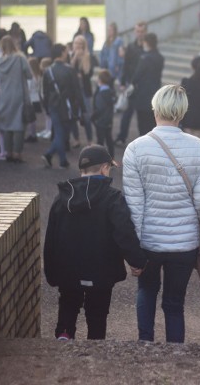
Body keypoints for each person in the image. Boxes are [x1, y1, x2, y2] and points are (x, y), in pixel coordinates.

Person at [122, 84, 200, 343]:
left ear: (155, 109)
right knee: (175, 303)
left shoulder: (135, 149)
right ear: (182, 112)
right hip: (184, 244)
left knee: (147, 291)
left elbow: (134, 204)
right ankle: (175, 350)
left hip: (149, 240)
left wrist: (134, 251)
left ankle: (145, 343)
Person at [44, 145, 146, 340]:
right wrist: (137, 261)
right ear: (104, 168)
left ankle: (64, 334)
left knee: (67, 304)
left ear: (81, 170)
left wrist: (51, 272)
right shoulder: (112, 198)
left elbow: (51, 239)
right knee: (97, 314)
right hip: (101, 270)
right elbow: (124, 233)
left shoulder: (63, 198)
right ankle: (95, 344)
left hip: (68, 270)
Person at [42, 43, 82, 169]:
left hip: (53, 105)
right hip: (67, 105)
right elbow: (77, 90)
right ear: (62, 53)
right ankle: (58, 159)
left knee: (59, 133)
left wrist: (47, 108)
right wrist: (82, 108)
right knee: (63, 133)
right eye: (66, 52)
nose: (67, 54)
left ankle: (56, 158)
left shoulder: (48, 71)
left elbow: (45, 92)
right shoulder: (70, 70)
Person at [0, 35, 33, 163]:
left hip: (5, 94)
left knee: (6, 125)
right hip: (19, 93)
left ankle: (8, 152)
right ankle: (17, 153)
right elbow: (29, 75)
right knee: (19, 125)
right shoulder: (20, 58)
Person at [115, 21, 147, 145]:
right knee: (127, 114)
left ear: (145, 32)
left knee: (142, 115)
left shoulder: (147, 48)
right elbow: (126, 65)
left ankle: (143, 139)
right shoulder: (131, 47)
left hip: (143, 87)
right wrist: (123, 82)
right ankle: (122, 136)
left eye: (142, 31)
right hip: (131, 86)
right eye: (137, 31)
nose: (139, 34)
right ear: (135, 32)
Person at [129, 33, 164, 136]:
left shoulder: (144, 58)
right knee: (152, 122)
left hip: (143, 94)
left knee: (143, 124)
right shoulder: (159, 57)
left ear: (147, 43)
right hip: (155, 92)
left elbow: (136, 76)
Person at [70, 35, 96, 146]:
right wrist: (75, 57)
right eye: (76, 44)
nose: (78, 46)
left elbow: (88, 73)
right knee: (73, 116)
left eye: (81, 44)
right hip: (73, 92)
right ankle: (76, 139)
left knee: (87, 117)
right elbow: (69, 71)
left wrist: (84, 58)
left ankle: (90, 140)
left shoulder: (89, 56)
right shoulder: (71, 56)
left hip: (85, 91)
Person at [91, 69, 116, 156]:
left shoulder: (100, 93)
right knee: (109, 140)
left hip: (100, 120)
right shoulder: (110, 92)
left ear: (100, 80)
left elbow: (99, 109)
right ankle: (111, 158)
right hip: (108, 120)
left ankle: (99, 159)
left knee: (100, 141)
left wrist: (92, 117)